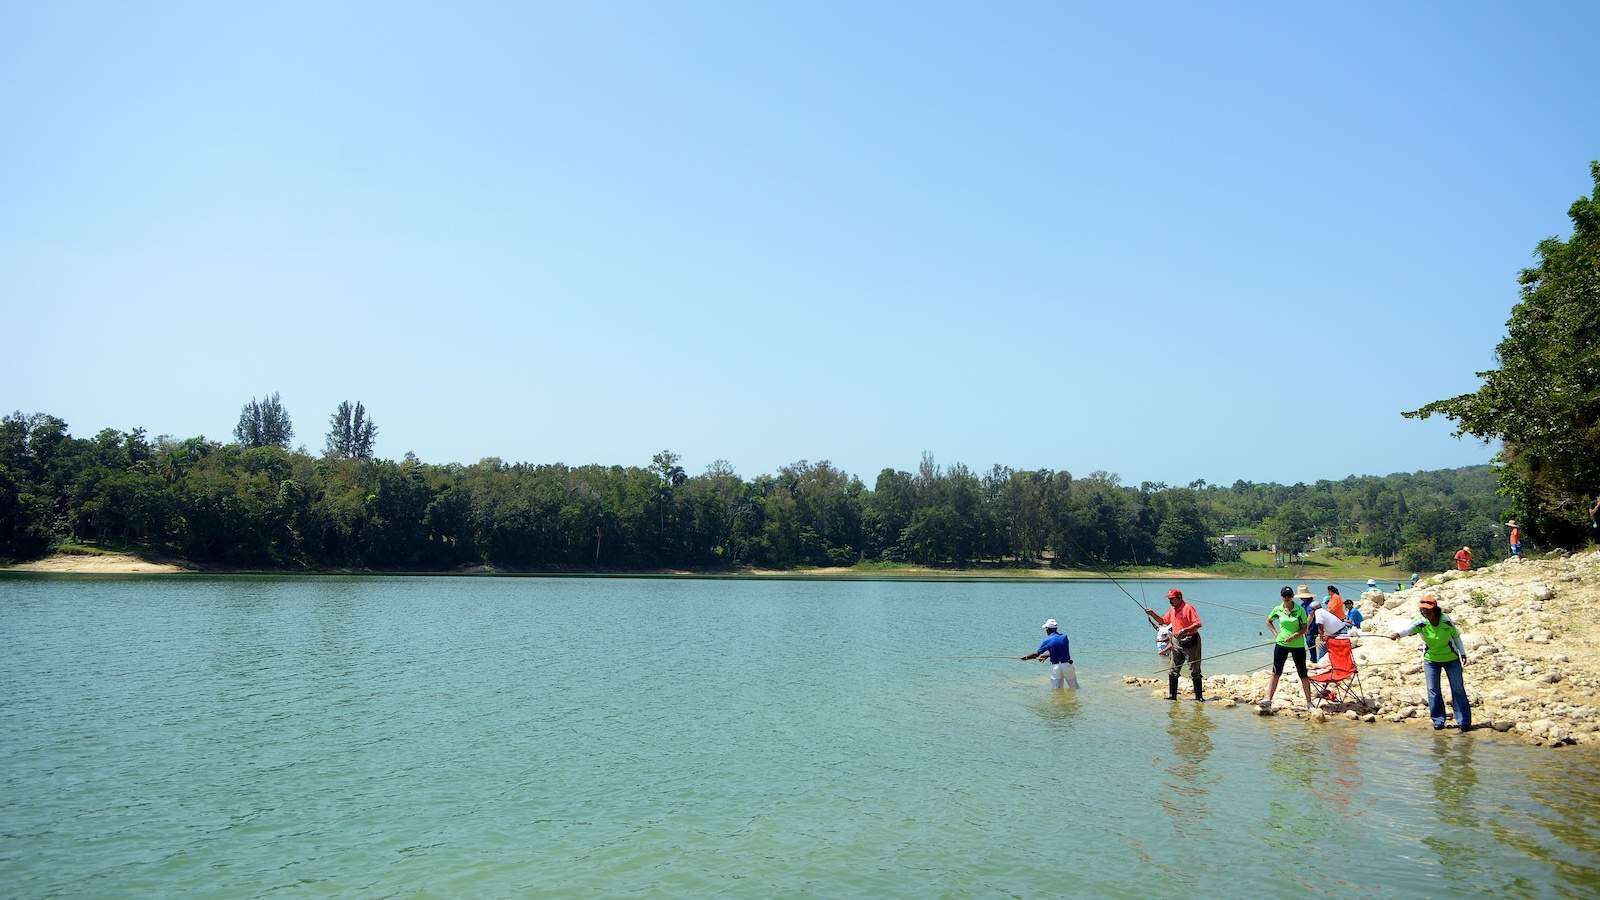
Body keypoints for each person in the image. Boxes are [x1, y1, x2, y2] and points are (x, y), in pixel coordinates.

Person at [1387, 595, 1470, 731]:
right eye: (1423, 610)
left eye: (1428, 610)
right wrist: (1397, 634)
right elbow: (1408, 630)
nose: (1425, 612)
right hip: (1431, 660)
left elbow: (1456, 637)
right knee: (1433, 690)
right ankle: (1438, 720)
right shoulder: (1421, 622)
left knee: (1458, 689)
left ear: (1435, 609)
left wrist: (1463, 653)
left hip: (1451, 659)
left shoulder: (1446, 620)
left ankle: (1464, 721)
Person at [1145, 589, 1204, 701]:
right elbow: (1163, 621)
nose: (1170, 601)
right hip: (1176, 642)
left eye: (1172, 599)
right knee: (1173, 670)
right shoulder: (1172, 610)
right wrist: (1152, 614)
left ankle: (1199, 698)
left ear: (1179, 598)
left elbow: (1198, 624)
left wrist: (1184, 630)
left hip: (1191, 640)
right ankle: (1173, 696)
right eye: (1169, 599)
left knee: (1194, 670)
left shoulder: (1188, 608)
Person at [1263, 586, 1315, 710]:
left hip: (1297, 645)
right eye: (1285, 596)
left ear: (1292, 596)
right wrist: (1276, 635)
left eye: (1289, 596)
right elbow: (1268, 621)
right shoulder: (1278, 609)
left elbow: (1304, 628)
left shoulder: (1300, 609)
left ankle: (1309, 702)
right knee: (1276, 672)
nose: (1287, 598)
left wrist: (1294, 636)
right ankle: (1268, 699)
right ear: (1282, 597)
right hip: (1281, 644)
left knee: (1303, 673)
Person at [1020, 618, 1078, 689]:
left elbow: (1037, 654)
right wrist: (1047, 656)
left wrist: (1026, 658)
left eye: (1046, 629)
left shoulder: (1047, 640)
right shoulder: (1065, 637)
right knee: (1074, 688)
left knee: (1057, 691)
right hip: (1067, 665)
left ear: (1048, 629)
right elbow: (1059, 650)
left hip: (1056, 667)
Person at [1296, 585, 1321, 663]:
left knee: (1311, 643)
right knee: (1309, 644)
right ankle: (1313, 658)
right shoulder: (1303, 605)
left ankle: (1314, 660)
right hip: (1308, 628)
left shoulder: (1312, 604)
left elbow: (1311, 616)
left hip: (1312, 628)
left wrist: (1306, 627)